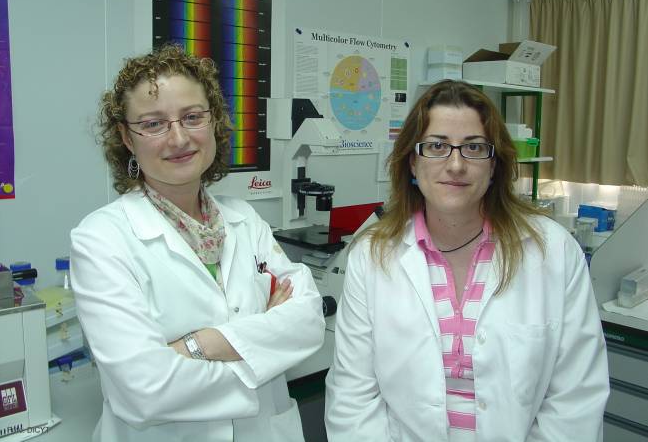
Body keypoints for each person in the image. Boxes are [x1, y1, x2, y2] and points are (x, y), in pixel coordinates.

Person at [325, 80, 609, 441]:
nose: (455, 164)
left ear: (494, 166)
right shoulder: (372, 255)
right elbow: (353, 397)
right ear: (412, 162)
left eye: (474, 147)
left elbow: (576, 398)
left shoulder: (553, 251)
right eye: (437, 146)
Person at [70, 45, 325, 442]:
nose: (178, 138)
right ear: (126, 136)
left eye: (192, 117)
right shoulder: (101, 240)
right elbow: (145, 390)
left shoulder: (245, 220)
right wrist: (265, 339)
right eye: (153, 124)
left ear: (213, 121)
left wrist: (195, 346)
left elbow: (308, 321)